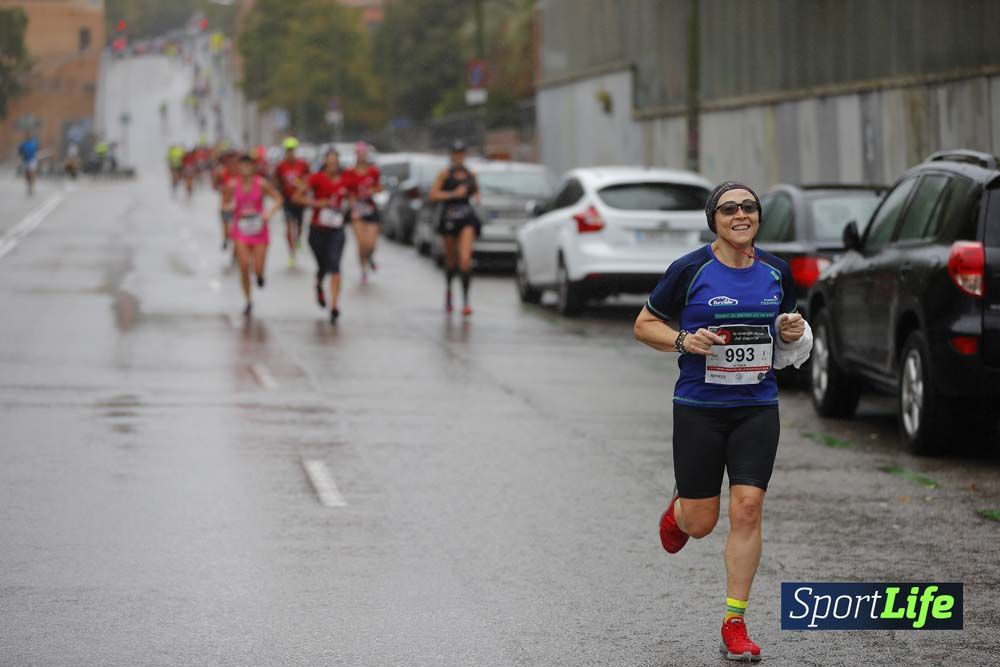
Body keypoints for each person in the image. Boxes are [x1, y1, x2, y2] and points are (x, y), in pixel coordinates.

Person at [633, 182, 809, 663]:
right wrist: (683, 341)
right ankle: (678, 514)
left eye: (749, 208)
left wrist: (789, 329)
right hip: (699, 408)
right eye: (729, 208)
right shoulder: (690, 270)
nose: (740, 214)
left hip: (757, 406)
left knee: (748, 507)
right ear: (714, 219)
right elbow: (644, 324)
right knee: (702, 521)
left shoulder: (777, 271)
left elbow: (785, 333)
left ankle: (735, 621)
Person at [296, 150, 354, 324]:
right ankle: (319, 285)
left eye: (335, 162)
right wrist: (317, 203)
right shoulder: (316, 178)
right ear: (325, 163)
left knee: (335, 265)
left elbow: (351, 197)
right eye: (330, 162)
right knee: (323, 265)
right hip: (317, 229)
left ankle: (334, 305)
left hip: (337, 229)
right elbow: (297, 197)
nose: (333, 165)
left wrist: (350, 209)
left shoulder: (346, 179)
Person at [226, 154, 283, 317]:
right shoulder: (232, 185)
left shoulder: (262, 184)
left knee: (257, 267)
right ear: (238, 168)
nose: (245, 168)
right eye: (242, 165)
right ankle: (248, 300)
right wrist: (229, 206)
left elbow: (278, 199)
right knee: (244, 265)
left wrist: (269, 213)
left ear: (253, 167)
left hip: (259, 230)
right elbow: (223, 204)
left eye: (248, 165)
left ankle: (259, 275)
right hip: (240, 231)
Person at [429, 140, 480, 316]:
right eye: (456, 154)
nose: (459, 157)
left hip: (466, 217)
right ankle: (449, 290)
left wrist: (477, 198)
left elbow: (476, 192)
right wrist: (452, 194)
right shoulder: (444, 174)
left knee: (465, 259)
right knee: (451, 259)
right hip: (449, 217)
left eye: (461, 154)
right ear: (451, 155)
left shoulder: (471, 174)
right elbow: (433, 194)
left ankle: (466, 301)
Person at [347, 142, 382, 282]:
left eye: (364, 153)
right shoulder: (350, 172)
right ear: (356, 155)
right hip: (357, 210)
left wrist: (373, 190)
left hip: (371, 208)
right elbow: (348, 193)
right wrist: (353, 208)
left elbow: (380, 187)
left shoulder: (373, 171)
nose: (361, 156)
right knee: (361, 243)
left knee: (371, 243)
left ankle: (370, 257)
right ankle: (363, 270)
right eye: (359, 153)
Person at [273, 137, 311, 268]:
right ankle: (292, 253)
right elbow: (276, 182)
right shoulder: (281, 166)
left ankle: (298, 239)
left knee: (299, 226)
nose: (290, 153)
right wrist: (278, 194)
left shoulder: (303, 164)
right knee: (289, 227)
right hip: (287, 200)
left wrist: (301, 186)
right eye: (288, 151)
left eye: (292, 150)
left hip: (299, 200)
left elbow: (309, 180)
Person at [212, 150, 238, 251]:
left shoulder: (241, 173)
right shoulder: (221, 172)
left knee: (237, 232)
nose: (233, 163)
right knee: (226, 229)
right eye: (230, 160)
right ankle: (226, 239)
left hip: (237, 207)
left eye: (235, 160)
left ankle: (236, 255)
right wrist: (223, 188)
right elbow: (214, 186)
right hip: (225, 206)